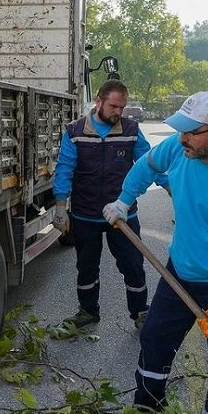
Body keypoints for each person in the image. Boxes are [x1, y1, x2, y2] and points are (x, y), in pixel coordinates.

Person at [103, 92, 208, 414]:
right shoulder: (178, 149)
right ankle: (147, 413)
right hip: (179, 274)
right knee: (155, 337)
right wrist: (124, 200)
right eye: (181, 130)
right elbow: (145, 167)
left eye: (192, 131)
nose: (183, 138)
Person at [53, 79, 154, 330]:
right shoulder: (75, 132)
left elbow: (149, 164)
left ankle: (141, 313)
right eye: (113, 106)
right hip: (85, 215)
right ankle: (87, 311)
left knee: (132, 266)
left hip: (123, 216)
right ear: (98, 101)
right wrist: (60, 207)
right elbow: (65, 169)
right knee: (86, 267)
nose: (118, 112)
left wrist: (173, 187)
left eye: (122, 107)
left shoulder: (131, 130)